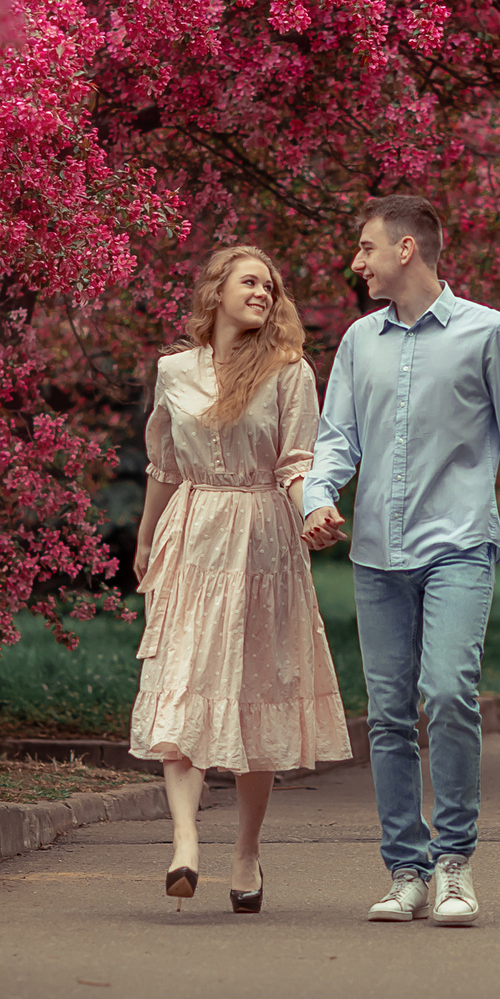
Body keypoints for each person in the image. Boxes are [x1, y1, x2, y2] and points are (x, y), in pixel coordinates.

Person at [301, 195, 500, 927]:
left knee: (447, 692)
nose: (356, 263)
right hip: (376, 557)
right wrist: (316, 495)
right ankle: (405, 869)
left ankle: (454, 863)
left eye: (365, 248)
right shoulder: (359, 341)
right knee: (387, 714)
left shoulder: (488, 333)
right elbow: (337, 437)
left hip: (458, 546)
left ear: (407, 250)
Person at [130, 246, 353, 912]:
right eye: (249, 281)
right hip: (192, 539)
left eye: (269, 284)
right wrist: (144, 537)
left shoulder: (289, 372)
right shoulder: (174, 371)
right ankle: (185, 843)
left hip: (264, 545)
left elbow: (295, 462)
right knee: (181, 682)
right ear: (216, 290)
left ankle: (248, 854)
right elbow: (164, 467)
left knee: (256, 695)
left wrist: (312, 510)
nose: (262, 291)